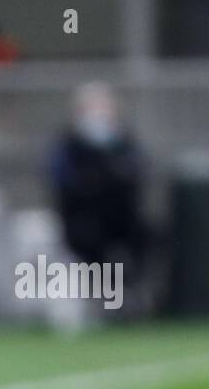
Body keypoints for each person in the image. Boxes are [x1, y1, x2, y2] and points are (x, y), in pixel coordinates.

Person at [50, 82, 148, 275]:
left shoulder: (124, 144)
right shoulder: (68, 145)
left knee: (143, 238)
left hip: (121, 218)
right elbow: (61, 179)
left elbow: (139, 171)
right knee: (89, 240)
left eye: (104, 108)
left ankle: (133, 287)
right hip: (81, 218)